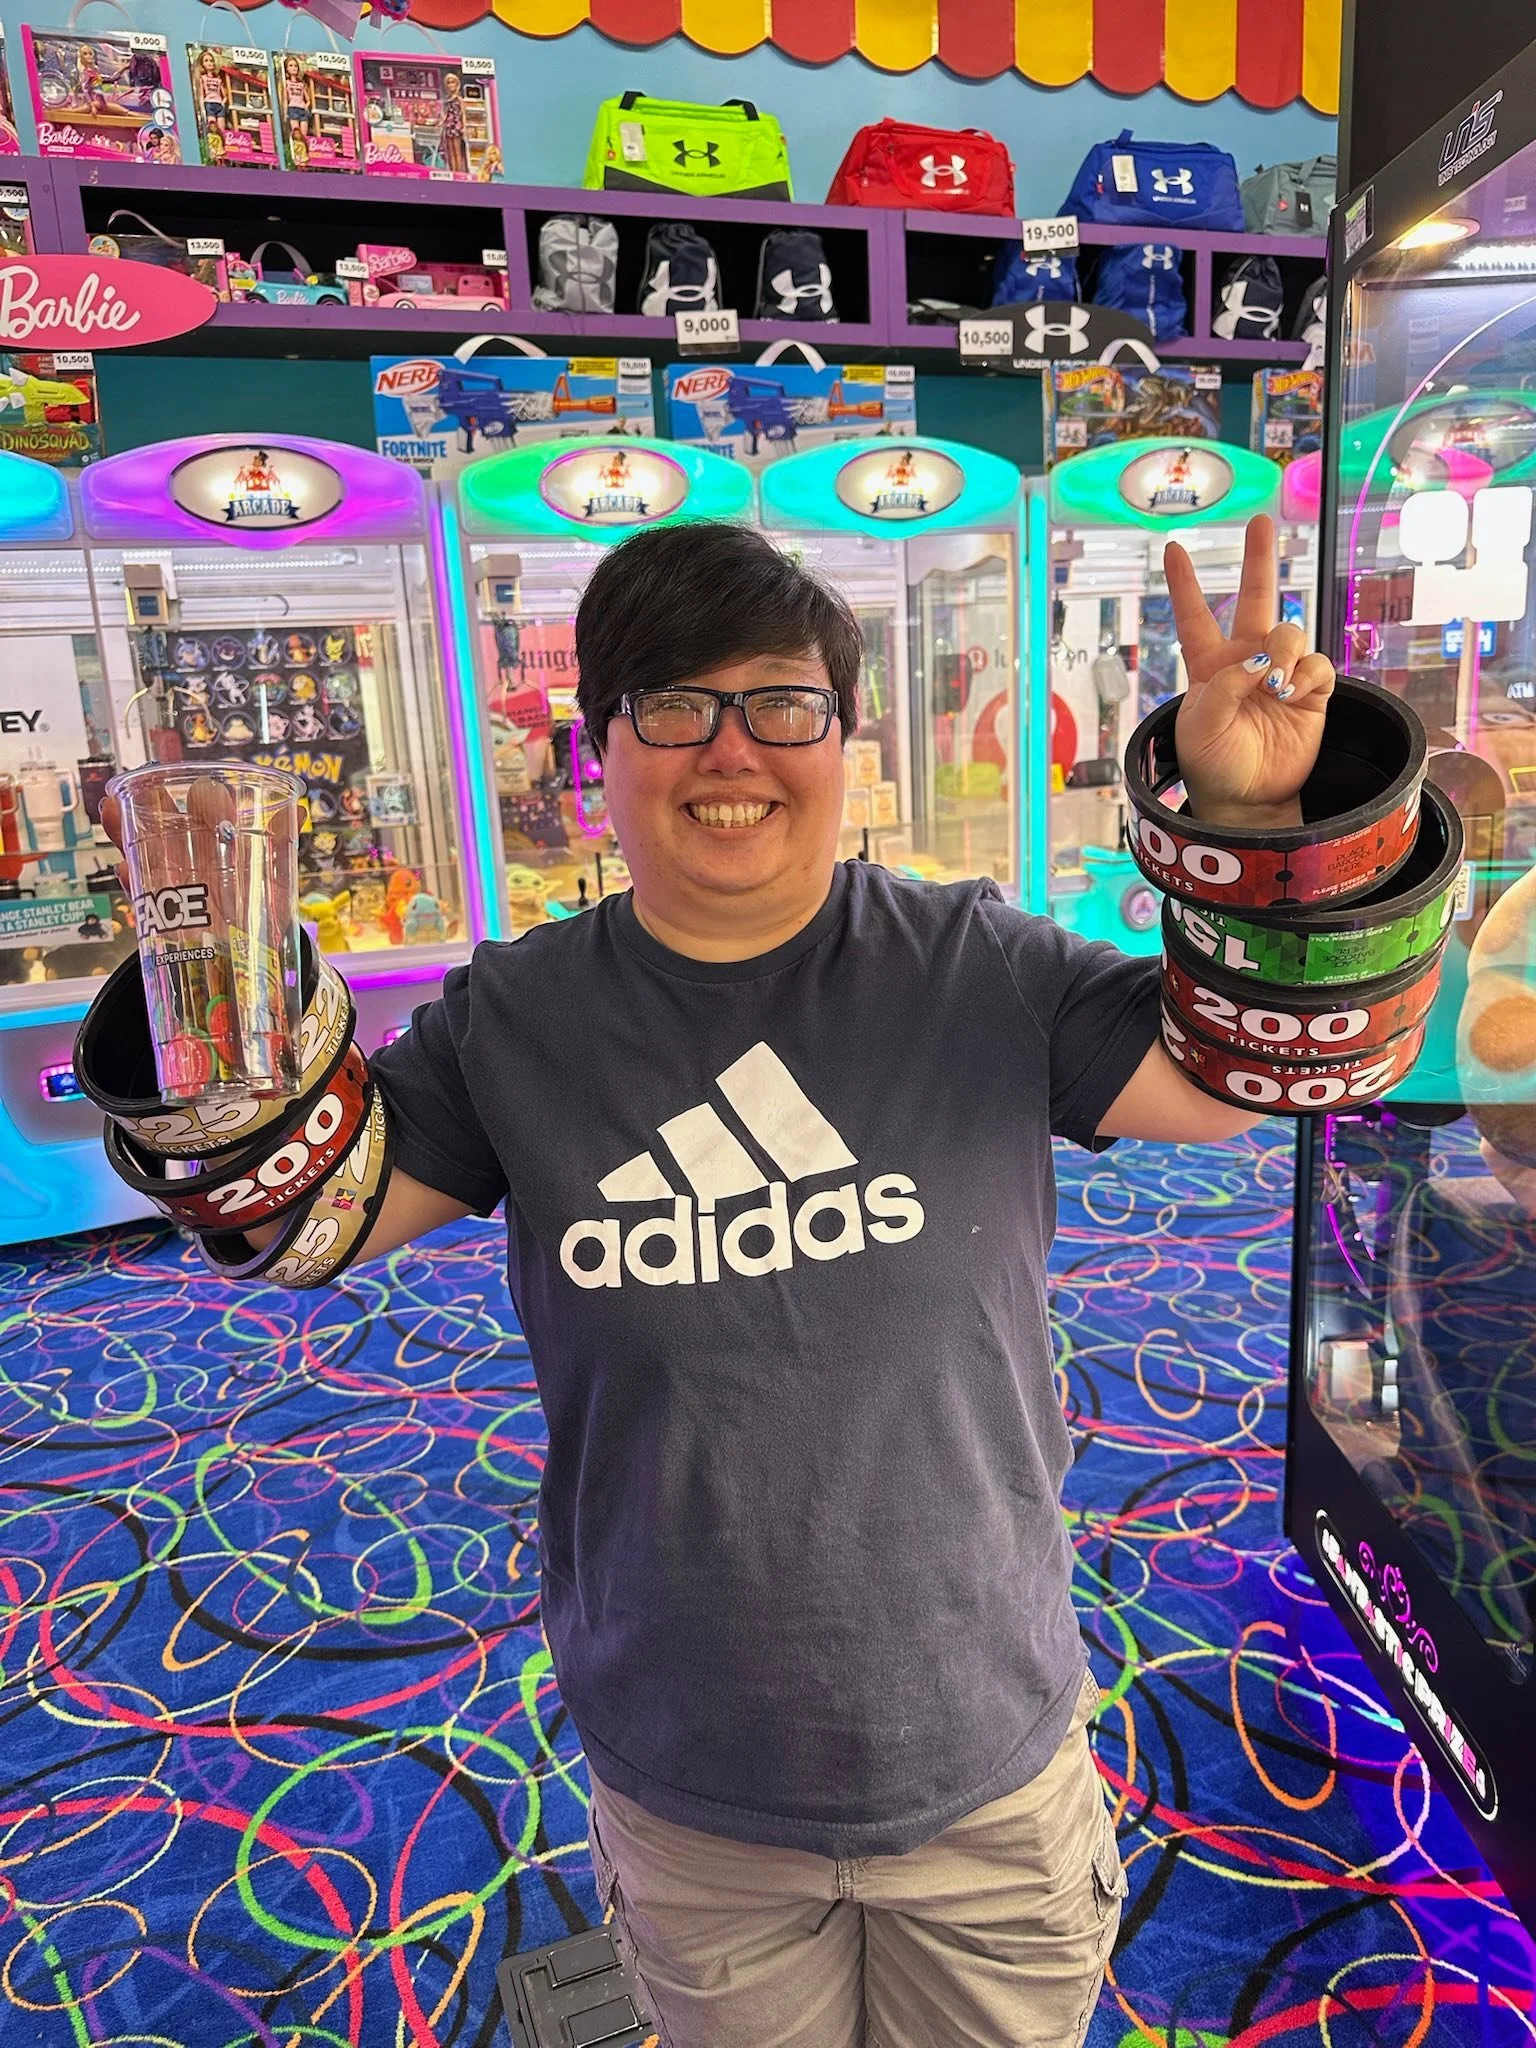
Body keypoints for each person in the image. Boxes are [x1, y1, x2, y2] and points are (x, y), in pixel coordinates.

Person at [102, 514, 1334, 2048]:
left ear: (846, 740)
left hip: (980, 1749)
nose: (731, 749)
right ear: (597, 750)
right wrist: (207, 985)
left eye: (782, 704)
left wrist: (1250, 820)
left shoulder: (976, 967)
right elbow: (300, 1221)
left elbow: (1236, 1084)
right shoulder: (517, 1017)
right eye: (675, 705)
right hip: (692, 1772)